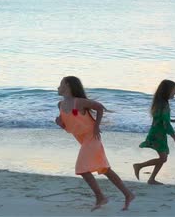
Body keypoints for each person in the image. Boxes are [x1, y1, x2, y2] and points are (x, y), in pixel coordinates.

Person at [55, 76, 135, 211]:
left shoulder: (79, 102)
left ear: (67, 85)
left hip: (92, 137)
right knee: (104, 169)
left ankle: (100, 197)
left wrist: (97, 126)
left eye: (61, 84)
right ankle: (128, 194)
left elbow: (99, 107)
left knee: (82, 168)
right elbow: (72, 125)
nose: (58, 87)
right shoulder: (61, 105)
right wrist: (61, 124)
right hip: (82, 139)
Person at [133, 79, 175, 185]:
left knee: (163, 158)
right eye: (174, 90)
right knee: (163, 158)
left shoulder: (160, 102)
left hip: (158, 132)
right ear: (167, 91)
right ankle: (139, 166)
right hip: (158, 134)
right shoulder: (163, 104)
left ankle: (151, 179)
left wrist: (172, 119)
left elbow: (161, 118)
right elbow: (165, 124)